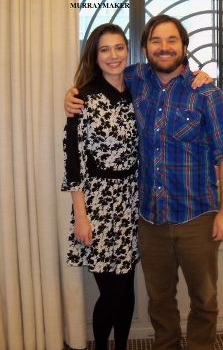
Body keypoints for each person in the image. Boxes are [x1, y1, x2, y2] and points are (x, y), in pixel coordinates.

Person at [64, 15, 223, 350]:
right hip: (149, 219)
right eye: (156, 41)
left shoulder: (206, 93)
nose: (164, 47)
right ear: (145, 48)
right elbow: (103, 73)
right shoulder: (137, 79)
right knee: (159, 300)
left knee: (204, 299)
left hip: (196, 216)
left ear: (184, 46)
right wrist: (72, 94)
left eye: (172, 40)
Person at [61, 23, 139, 350]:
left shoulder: (139, 90)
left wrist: (200, 75)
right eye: (104, 49)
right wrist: (81, 217)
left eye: (119, 47)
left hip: (132, 201)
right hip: (97, 206)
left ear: (128, 51)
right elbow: (73, 161)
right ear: (95, 55)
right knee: (112, 292)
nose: (113, 55)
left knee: (128, 288)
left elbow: (173, 73)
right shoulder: (83, 97)